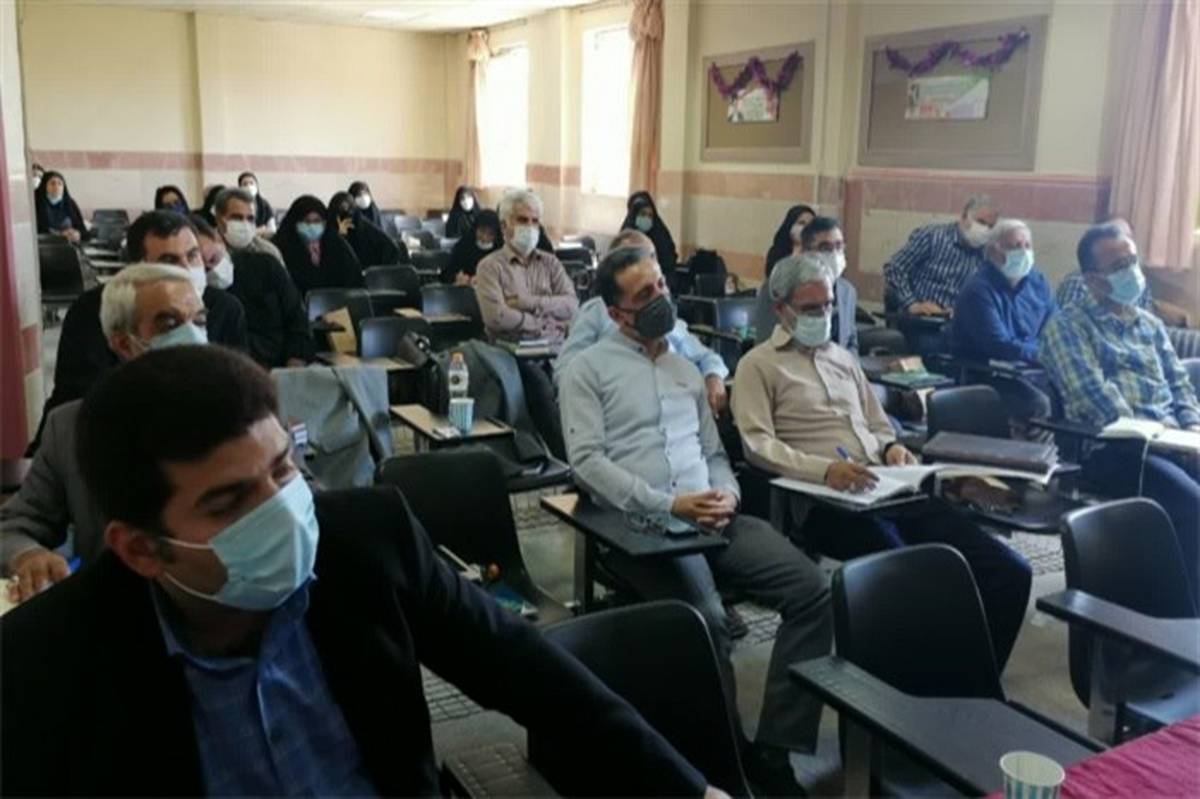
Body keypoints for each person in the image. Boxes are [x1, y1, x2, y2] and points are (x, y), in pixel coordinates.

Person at [1, 345, 721, 798]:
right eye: (228, 502)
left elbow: (536, 677)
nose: (280, 509)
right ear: (140, 549)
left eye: (282, 468)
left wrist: (692, 792)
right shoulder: (42, 662)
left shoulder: (367, 539)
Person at [559, 245, 832, 794]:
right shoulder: (587, 370)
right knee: (706, 622)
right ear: (616, 313)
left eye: (661, 285)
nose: (660, 297)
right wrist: (668, 505)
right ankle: (727, 757)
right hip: (644, 528)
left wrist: (727, 493)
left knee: (813, 591)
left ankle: (775, 748)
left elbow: (713, 454)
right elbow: (586, 464)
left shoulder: (687, 370)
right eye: (644, 294)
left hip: (713, 518)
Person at [732, 253, 1033, 669]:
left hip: (888, 485)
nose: (823, 315)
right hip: (827, 501)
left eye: (828, 305)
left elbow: (877, 422)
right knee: (919, 577)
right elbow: (757, 445)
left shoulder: (842, 358)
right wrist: (825, 470)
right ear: (781, 309)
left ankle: (975, 678)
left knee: (1009, 570)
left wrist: (891, 446)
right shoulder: (758, 365)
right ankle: (916, 682)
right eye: (810, 308)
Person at [2, 264, 208, 604]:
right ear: (124, 344)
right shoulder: (71, 427)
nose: (193, 336)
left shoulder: (249, 417)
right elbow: (17, 524)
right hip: (115, 607)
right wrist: (29, 556)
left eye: (199, 321)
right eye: (170, 324)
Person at [1040, 223, 1200, 602]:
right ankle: (1184, 619)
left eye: (1133, 261)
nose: (1132, 271)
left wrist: (1192, 429)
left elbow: (1180, 386)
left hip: (1174, 442)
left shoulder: (1150, 325)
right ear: (1093, 280)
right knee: (1194, 507)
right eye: (1119, 266)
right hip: (1116, 450)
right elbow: (1095, 399)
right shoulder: (1068, 327)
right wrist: (1163, 440)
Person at [30, 211, 247, 450]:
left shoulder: (226, 308)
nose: (186, 269)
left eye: (192, 256)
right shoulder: (94, 309)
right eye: (170, 261)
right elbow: (83, 393)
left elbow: (237, 390)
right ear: (138, 268)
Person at [555, 229, 729, 416]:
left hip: (676, 406)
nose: (644, 267)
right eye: (631, 259)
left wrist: (714, 376)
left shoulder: (666, 317)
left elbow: (706, 357)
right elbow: (567, 370)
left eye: (650, 257)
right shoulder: (596, 312)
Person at [475, 189, 576, 459]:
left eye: (535, 221)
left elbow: (571, 305)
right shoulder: (490, 267)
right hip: (513, 354)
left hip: (556, 350)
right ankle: (570, 462)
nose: (530, 228)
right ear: (505, 226)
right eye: (522, 220)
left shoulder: (550, 263)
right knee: (541, 389)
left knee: (586, 383)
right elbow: (497, 317)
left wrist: (527, 302)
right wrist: (541, 321)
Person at [949, 218, 1056, 427]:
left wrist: (1050, 352)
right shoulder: (978, 290)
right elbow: (999, 345)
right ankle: (1031, 447)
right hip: (987, 375)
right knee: (1040, 404)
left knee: (1071, 394)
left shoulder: (1038, 282)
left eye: (1027, 246)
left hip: (1032, 369)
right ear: (994, 251)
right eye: (1016, 246)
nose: (1024, 252)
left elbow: (1055, 328)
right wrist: (1042, 353)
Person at [191, 214, 312, 369]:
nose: (213, 270)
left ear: (219, 240)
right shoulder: (199, 300)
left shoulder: (265, 266)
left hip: (285, 368)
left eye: (214, 259)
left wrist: (294, 368)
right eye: (204, 269)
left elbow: (298, 321)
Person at [754, 216, 859, 351]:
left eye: (839, 246)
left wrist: (848, 363)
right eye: (825, 248)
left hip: (836, 362)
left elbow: (851, 341)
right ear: (805, 252)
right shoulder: (779, 287)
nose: (834, 254)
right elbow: (766, 342)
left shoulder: (848, 292)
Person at [884, 194, 998, 315]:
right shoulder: (932, 236)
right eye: (981, 222)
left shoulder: (985, 254)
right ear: (964, 217)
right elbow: (894, 269)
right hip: (921, 318)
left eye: (990, 226)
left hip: (957, 321)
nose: (984, 230)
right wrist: (912, 304)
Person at [274, 195, 364, 295]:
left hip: (338, 303)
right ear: (294, 223)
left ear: (324, 223)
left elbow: (355, 283)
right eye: (306, 221)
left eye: (317, 221)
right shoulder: (281, 248)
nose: (311, 226)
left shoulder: (337, 245)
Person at [328, 191, 404, 267]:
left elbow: (391, 248)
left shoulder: (365, 227)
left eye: (348, 208)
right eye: (341, 209)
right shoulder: (330, 230)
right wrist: (341, 236)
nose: (346, 214)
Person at [213, 186, 285, 265]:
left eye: (250, 218)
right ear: (219, 219)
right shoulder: (207, 252)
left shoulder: (268, 252)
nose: (245, 223)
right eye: (237, 218)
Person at [621, 191, 677, 272]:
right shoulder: (625, 238)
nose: (646, 219)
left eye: (650, 215)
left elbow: (669, 260)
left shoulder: (660, 236)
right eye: (642, 214)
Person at [443, 208, 501, 284]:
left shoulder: (500, 249)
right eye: (482, 231)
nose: (485, 237)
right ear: (475, 229)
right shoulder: (464, 245)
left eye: (491, 234)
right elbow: (446, 274)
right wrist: (456, 277)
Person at [762, 204, 816, 278]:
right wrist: (797, 250)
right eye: (801, 223)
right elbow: (775, 279)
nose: (806, 228)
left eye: (811, 224)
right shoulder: (777, 252)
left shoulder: (818, 254)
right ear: (790, 225)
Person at [34, 170, 88, 242]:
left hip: (69, 245)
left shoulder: (70, 203)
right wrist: (60, 235)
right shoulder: (37, 203)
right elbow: (36, 231)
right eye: (52, 183)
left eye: (60, 184)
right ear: (44, 186)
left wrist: (78, 233)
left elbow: (82, 230)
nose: (56, 187)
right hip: (45, 245)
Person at [237, 171, 277, 235]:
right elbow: (238, 232)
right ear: (240, 188)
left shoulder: (264, 205)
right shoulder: (235, 206)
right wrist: (260, 230)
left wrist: (254, 232)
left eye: (251, 183)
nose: (249, 186)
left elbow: (272, 229)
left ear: (257, 186)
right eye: (245, 184)